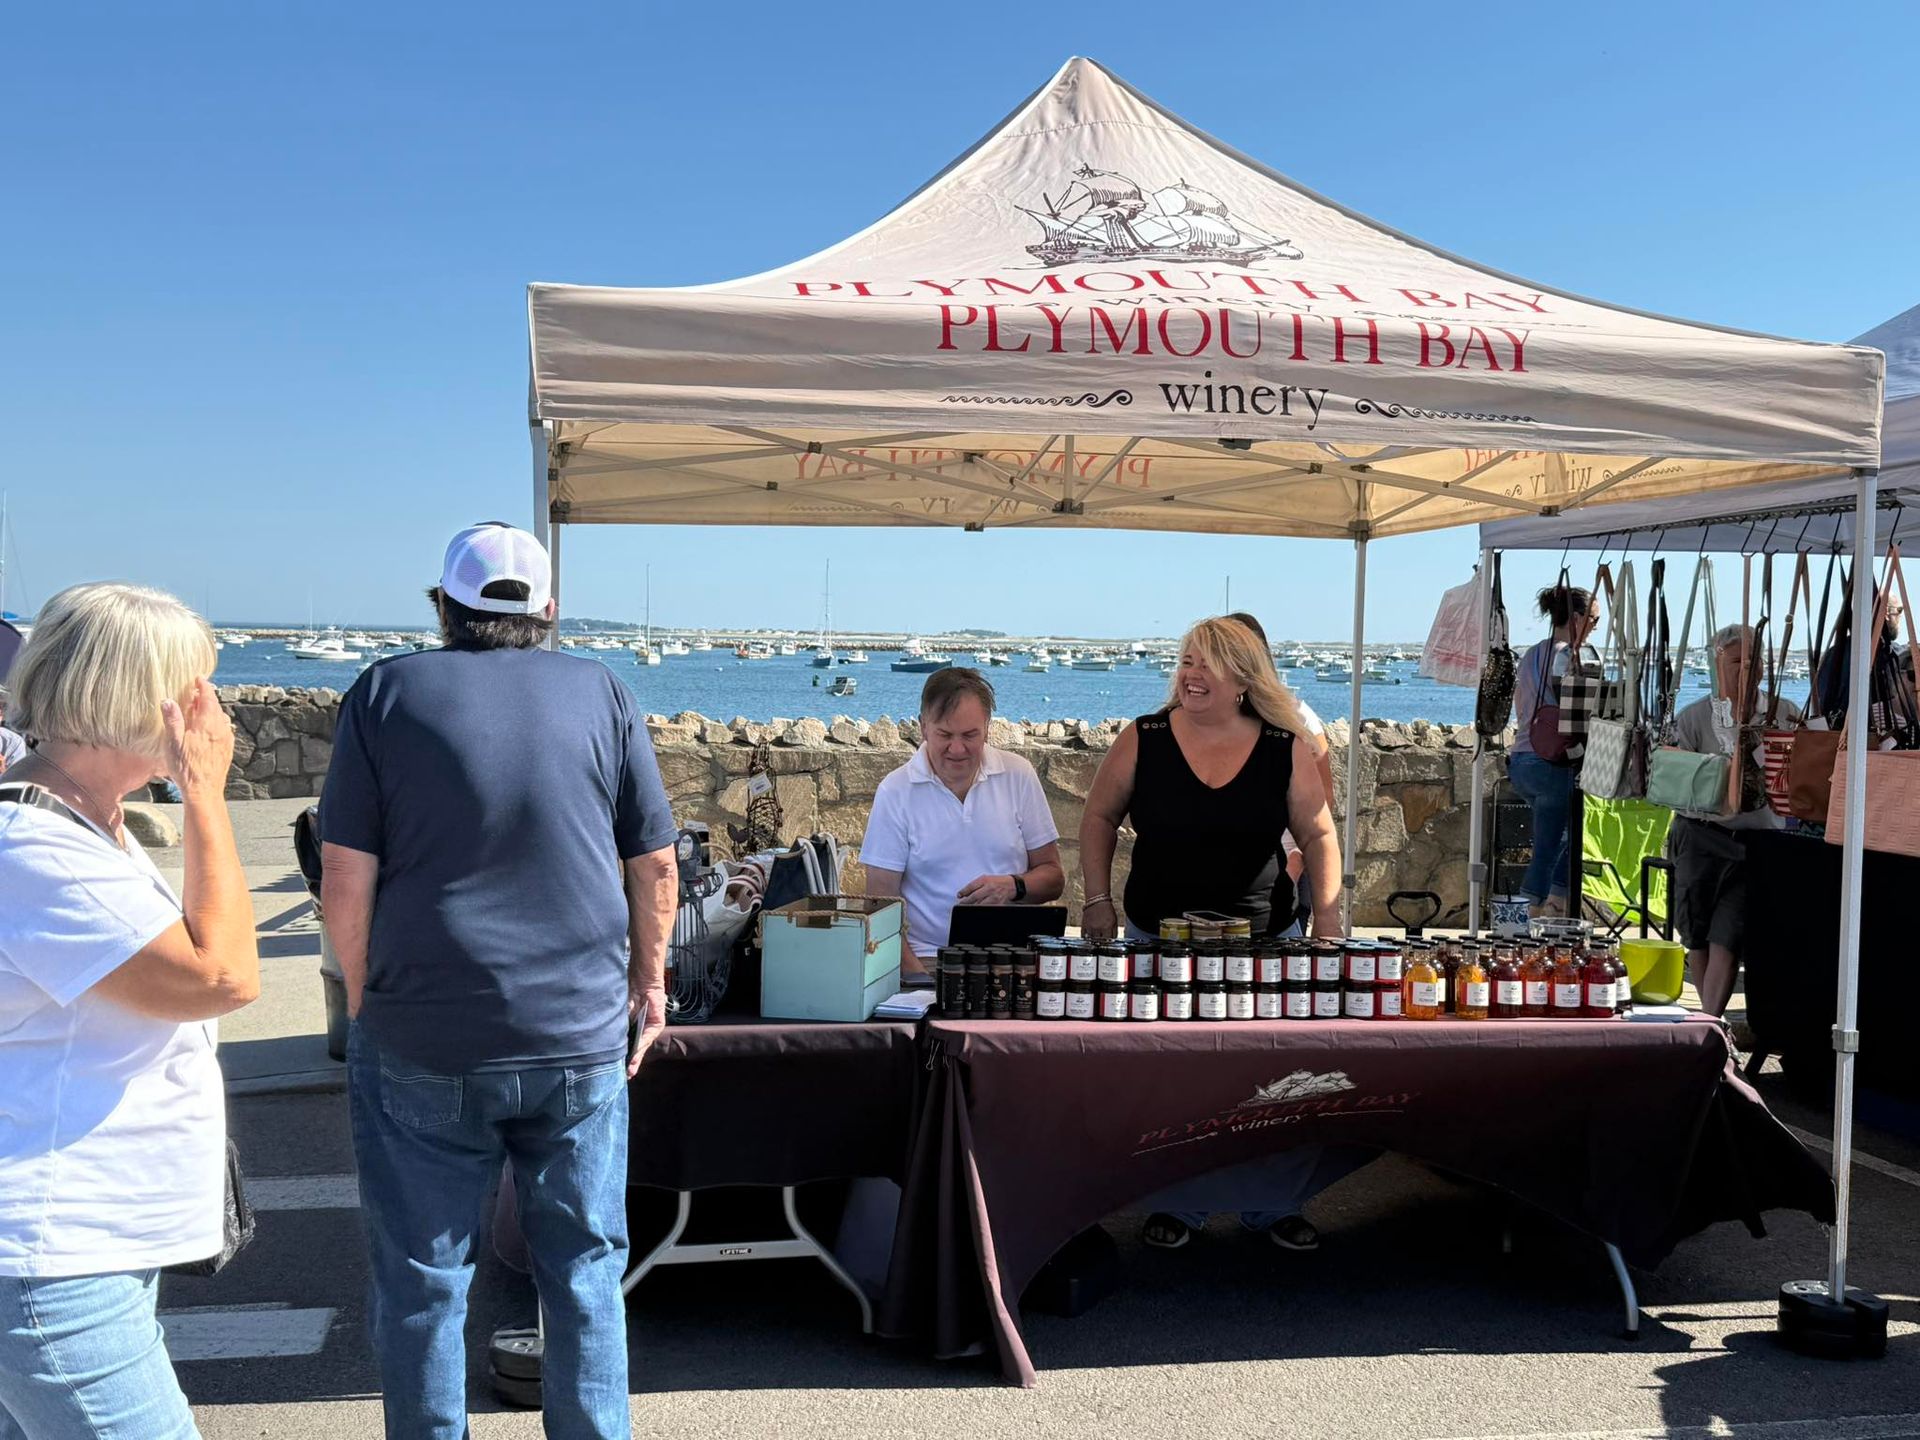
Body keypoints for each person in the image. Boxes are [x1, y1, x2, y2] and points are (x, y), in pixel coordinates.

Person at [320, 522, 679, 1439]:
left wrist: (365, 998)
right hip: (576, 1038)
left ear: (443, 606)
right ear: (548, 612)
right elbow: (657, 867)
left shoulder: (385, 693)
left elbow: (346, 877)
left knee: (423, 1284)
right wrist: (650, 985)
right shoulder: (602, 691)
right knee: (586, 1274)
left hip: (421, 1035)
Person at [0, 583, 259, 1440]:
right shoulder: (36, 850)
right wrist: (206, 795)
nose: (211, 708)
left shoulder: (80, 825)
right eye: (198, 686)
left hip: (85, 1241)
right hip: (54, 1255)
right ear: (139, 699)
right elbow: (219, 974)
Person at [1080, 617, 1356, 1252]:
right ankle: (1180, 1204)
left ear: (1243, 680)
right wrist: (1095, 900)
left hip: (1265, 943)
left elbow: (1318, 835)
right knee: (1171, 1082)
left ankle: (1272, 1205)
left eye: (1206, 664)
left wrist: (1330, 923)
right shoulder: (1142, 737)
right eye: (1185, 662)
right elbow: (1098, 816)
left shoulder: (1283, 745)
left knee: (1276, 1082)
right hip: (1158, 942)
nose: (1190, 674)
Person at [862, 668, 1063, 977]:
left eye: (970, 735)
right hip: (930, 959)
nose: (957, 749)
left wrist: (1013, 886)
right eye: (944, 735)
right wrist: (919, 982)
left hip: (1014, 960)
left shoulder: (1018, 775)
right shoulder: (896, 790)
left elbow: (1053, 879)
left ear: (988, 729)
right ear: (923, 727)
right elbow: (879, 906)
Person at [1666, 623, 1800, 1016]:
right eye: (1736, 662)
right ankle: (1711, 1026)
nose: (1747, 670)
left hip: (1757, 842)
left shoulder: (1783, 713)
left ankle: (1709, 1026)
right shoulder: (1694, 718)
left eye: (1753, 661)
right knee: (1698, 935)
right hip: (1701, 835)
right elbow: (1676, 783)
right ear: (1716, 664)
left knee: (1729, 934)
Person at [1228, 612, 1333, 936]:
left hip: (1285, 872)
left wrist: (1295, 864)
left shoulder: (1298, 717)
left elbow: (1322, 805)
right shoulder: (1211, 721)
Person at [1506, 584, 1598, 918]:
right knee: (1553, 843)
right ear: (1576, 619)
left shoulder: (1533, 653)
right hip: (1551, 761)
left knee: (1563, 838)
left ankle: (1558, 903)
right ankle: (1532, 911)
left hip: (1522, 759)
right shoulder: (1569, 657)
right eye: (1593, 620)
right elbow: (1579, 712)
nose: (1594, 628)